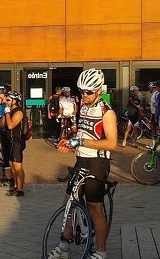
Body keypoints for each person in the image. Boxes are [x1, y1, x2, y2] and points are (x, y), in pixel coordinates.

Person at [50, 69, 117, 259]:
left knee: (94, 207)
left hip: (98, 163)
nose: (84, 96)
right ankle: (64, 247)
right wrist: (70, 142)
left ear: (98, 91)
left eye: (88, 92)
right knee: (69, 203)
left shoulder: (107, 112)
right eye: (81, 92)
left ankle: (101, 252)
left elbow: (112, 143)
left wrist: (81, 142)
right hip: (81, 160)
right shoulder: (84, 107)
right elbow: (82, 134)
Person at [4, 91, 27, 197]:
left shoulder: (18, 112)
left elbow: (11, 125)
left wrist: (7, 113)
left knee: (18, 167)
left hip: (17, 141)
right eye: (6, 99)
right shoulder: (11, 111)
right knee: (12, 166)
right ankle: (15, 186)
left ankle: (20, 189)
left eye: (8, 100)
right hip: (10, 140)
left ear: (15, 101)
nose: (6, 102)